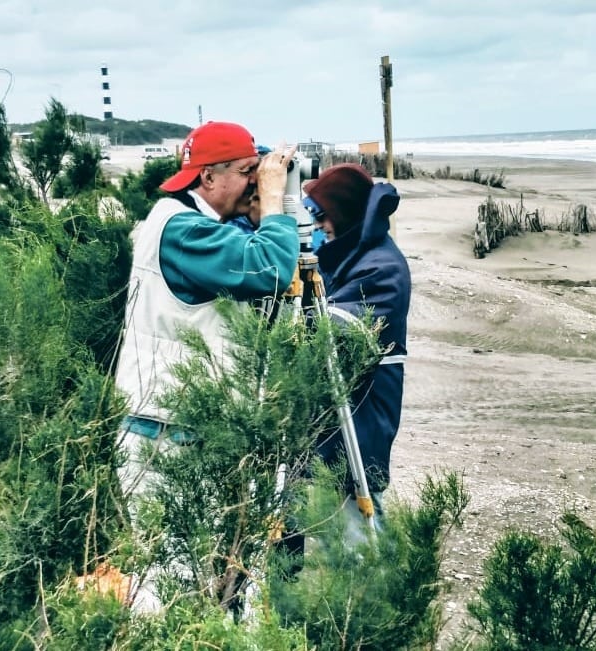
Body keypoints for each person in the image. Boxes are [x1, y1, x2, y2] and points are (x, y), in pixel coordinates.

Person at [114, 121, 298, 610]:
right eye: (247, 172)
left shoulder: (184, 224)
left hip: (173, 430)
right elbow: (272, 271)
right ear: (208, 178)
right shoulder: (181, 231)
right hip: (166, 440)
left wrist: (265, 215)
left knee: (193, 581)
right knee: (168, 585)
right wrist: (277, 201)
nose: (254, 181)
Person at [301, 163, 411, 541]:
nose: (318, 226)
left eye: (322, 216)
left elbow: (338, 334)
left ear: (343, 212)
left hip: (362, 412)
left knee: (359, 523)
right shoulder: (352, 254)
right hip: (339, 412)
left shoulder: (382, 268)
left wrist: (299, 313)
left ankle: (377, 590)